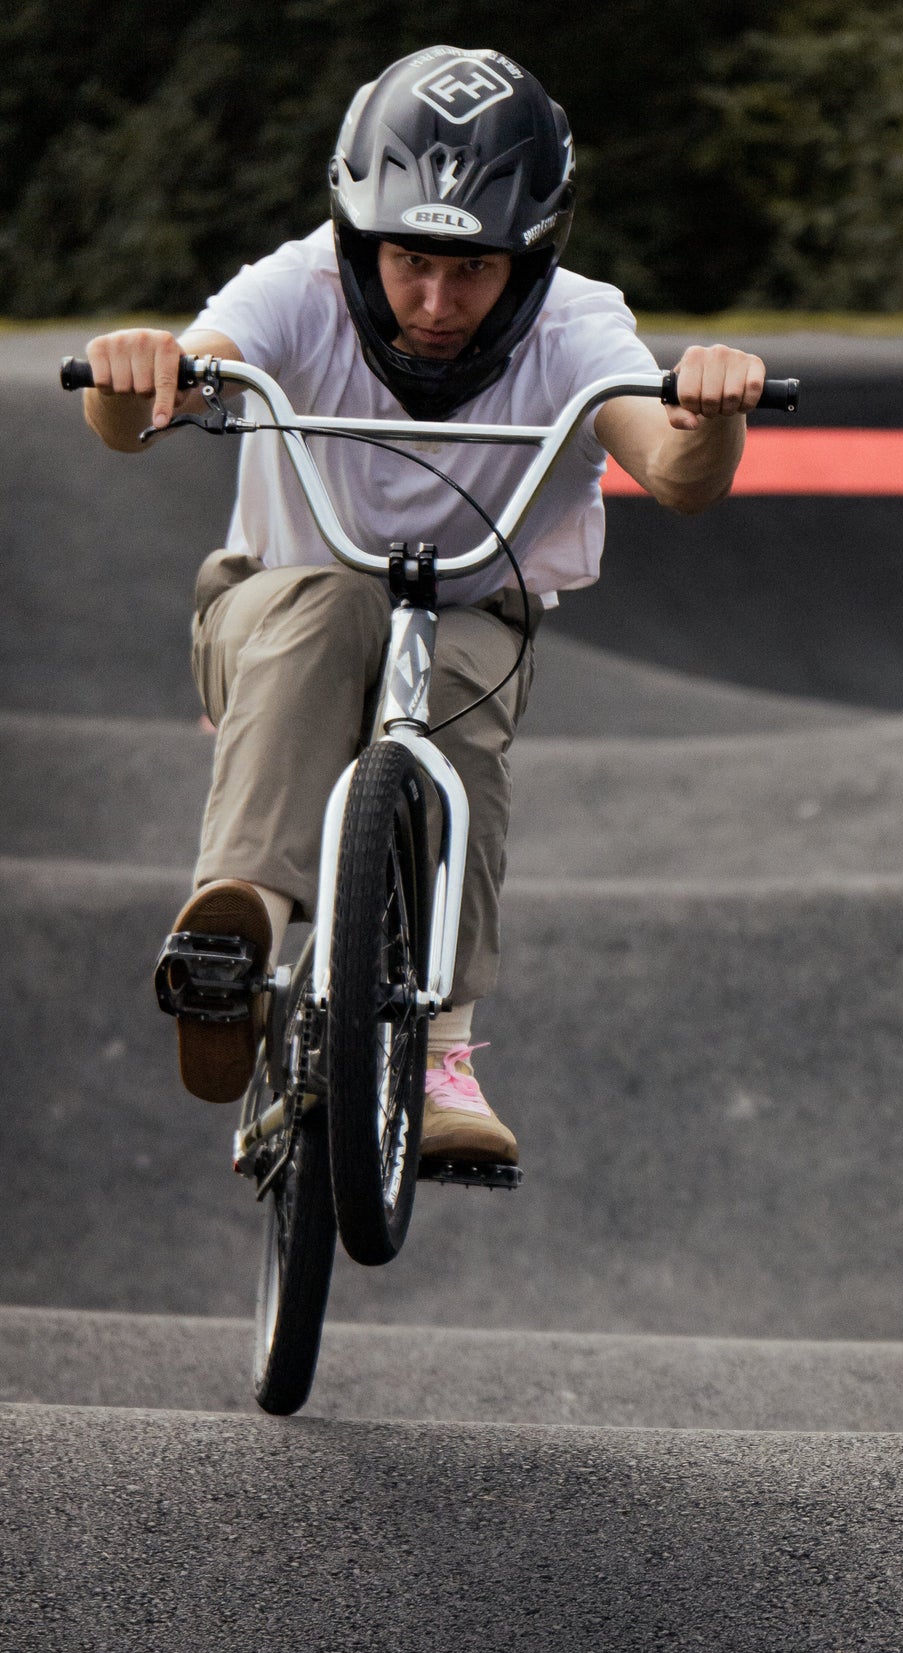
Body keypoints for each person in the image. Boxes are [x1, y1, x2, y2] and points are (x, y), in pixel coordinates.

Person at [79, 45, 766, 1168]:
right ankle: (235, 937)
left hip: (472, 620)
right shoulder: (294, 288)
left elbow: (677, 474)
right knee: (335, 605)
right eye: (409, 262)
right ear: (359, 240)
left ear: (532, 258)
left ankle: (444, 1052)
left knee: (455, 687)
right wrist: (133, 375)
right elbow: (150, 410)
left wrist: (712, 414)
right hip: (271, 612)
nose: (437, 304)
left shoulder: (577, 328)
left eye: (474, 269)